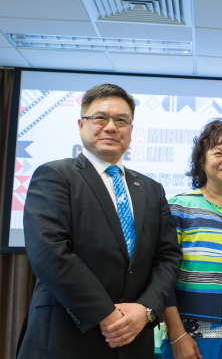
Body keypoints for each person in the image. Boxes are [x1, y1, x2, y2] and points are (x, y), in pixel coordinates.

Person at [18, 84, 182, 358]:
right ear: (81, 124)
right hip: (66, 335)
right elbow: (49, 252)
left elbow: (168, 257)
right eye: (100, 118)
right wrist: (106, 314)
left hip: (134, 338)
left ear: (131, 129)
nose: (110, 127)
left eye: (121, 120)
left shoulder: (152, 189)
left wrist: (146, 309)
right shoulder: (55, 176)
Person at [160, 119, 222, 359]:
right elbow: (162, 276)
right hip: (189, 338)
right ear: (202, 161)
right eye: (218, 153)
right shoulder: (178, 206)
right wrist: (177, 334)